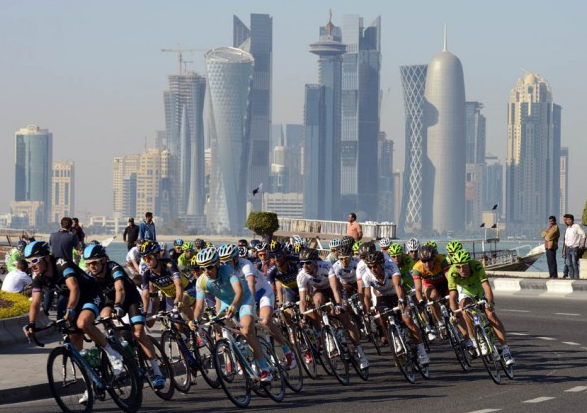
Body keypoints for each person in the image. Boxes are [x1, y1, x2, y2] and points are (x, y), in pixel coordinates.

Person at [23, 241, 125, 375]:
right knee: (75, 342)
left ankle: (113, 355)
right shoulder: (38, 278)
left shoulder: (61, 264)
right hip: (73, 300)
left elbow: (74, 288)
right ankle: (91, 381)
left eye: (34, 260)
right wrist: (31, 323)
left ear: (47, 257)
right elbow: (35, 303)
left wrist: (70, 309)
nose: (31, 265)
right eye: (28, 262)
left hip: (90, 294)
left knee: (83, 323)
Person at [83, 243, 165, 389]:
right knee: (104, 318)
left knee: (138, 332)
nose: (92, 266)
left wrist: (118, 306)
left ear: (103, 260)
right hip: (111, 301)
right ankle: (122, 347)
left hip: (130, 299)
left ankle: (157, 372)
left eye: (94, 262)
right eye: (88, 264)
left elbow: (120, 289)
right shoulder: (91, 276)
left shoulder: (113, 267)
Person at [192, 247, 274, 382]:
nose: (207, 271)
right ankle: (238, 351)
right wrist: (195, 320)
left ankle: (265, 369)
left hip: (244, 299)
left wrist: (235, 306)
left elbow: (239, 291)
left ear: (218, 264)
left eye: (210, 267)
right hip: (226, 303)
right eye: (203, 268)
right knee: (217, 327)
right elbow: (199, 305)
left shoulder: (227, 270)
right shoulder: (201, 281)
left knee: (246, 330)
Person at [296, 248, 369, 369]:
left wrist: (339, 305)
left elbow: (335, 288)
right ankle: (328, 333)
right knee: (317, 300)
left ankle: (360, 353)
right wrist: (302, 316)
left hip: (334, 289)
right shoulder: (301, 275)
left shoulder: (326, 266)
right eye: (302, 263)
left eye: (308, 262)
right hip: (320, 291)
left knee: (344, 318)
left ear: (315, 262)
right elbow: (302, 300)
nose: (304, 266)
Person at [447, 249, 515, 366]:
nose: (461, 270)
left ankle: (505, 350)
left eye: (464, 266)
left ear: (469, 263)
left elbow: (487, 287)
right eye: (458, 267)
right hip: (465, 291)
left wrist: (490, 304)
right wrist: (454, 314)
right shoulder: (452, 273)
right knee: (464, 309)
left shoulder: (477, 266)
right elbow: (453, 297)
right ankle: (475, 340)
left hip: (479, 289)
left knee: (490, 314)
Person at [362, 251, 430, 365]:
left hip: (398, 294)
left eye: (375, 266)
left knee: (407, 320)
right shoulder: (366, 275)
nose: (373, 269)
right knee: (382, 317)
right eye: (370, 266)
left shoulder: (391, 267)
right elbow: (367, 295)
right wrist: (367, 312)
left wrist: (401, 300)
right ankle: (395, 339)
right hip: (383, 297)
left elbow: (398, 285)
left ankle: (422, 353)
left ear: (381, 264)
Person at [562, 214, 586, 279]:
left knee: (574, 262)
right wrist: (564, 251)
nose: (566, 221)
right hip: (568, 248)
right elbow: (566, 241)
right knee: (569, 263)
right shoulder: (568, 229)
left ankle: (576, 277)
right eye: (566, 220)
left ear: (571, 220)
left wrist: (582, 244)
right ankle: (571, 277)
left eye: (567, 220)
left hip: (574, 248)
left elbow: (583, 234)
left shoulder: (576, 226)